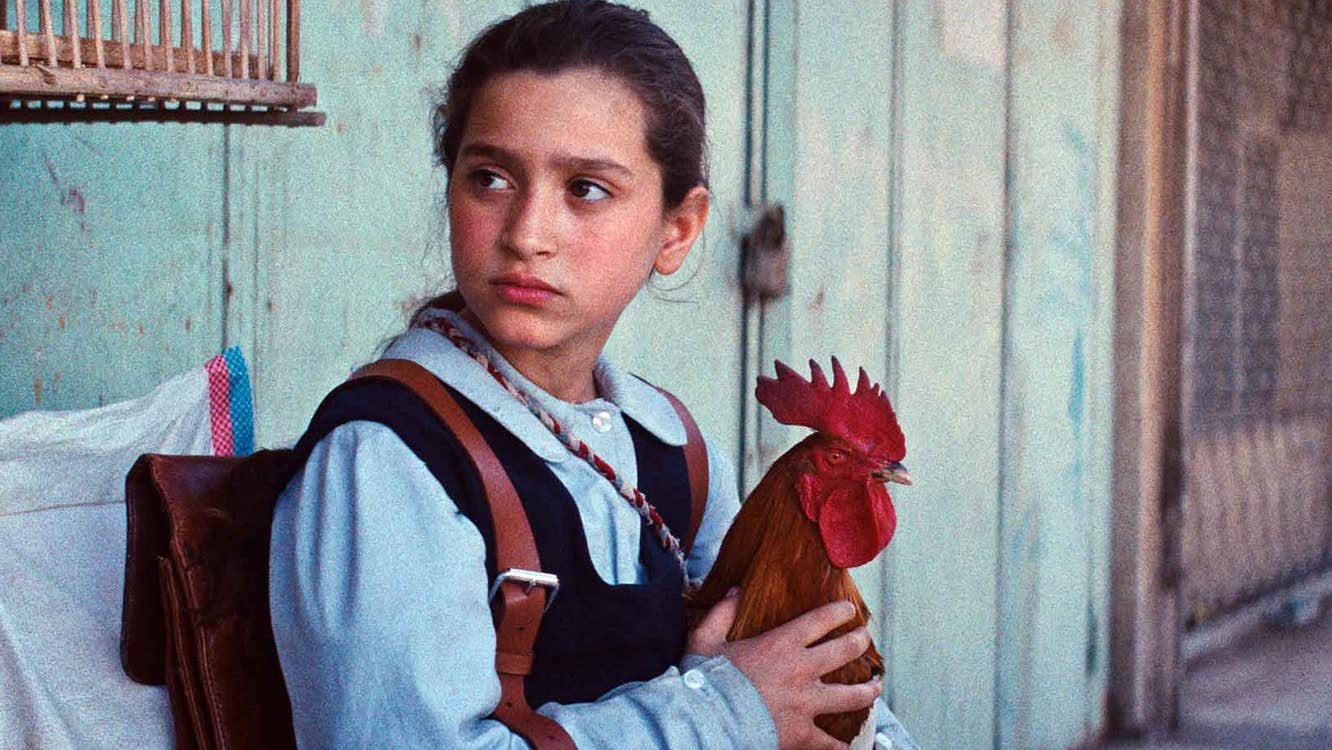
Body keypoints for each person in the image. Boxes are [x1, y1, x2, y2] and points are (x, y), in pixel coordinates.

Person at [268, 2, 919, 748]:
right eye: (490, 178)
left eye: (586, 189)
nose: (527, 234)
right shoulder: (387, 459)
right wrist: (724, 711)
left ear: (676, 230)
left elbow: (810, 684)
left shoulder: (669, 446)